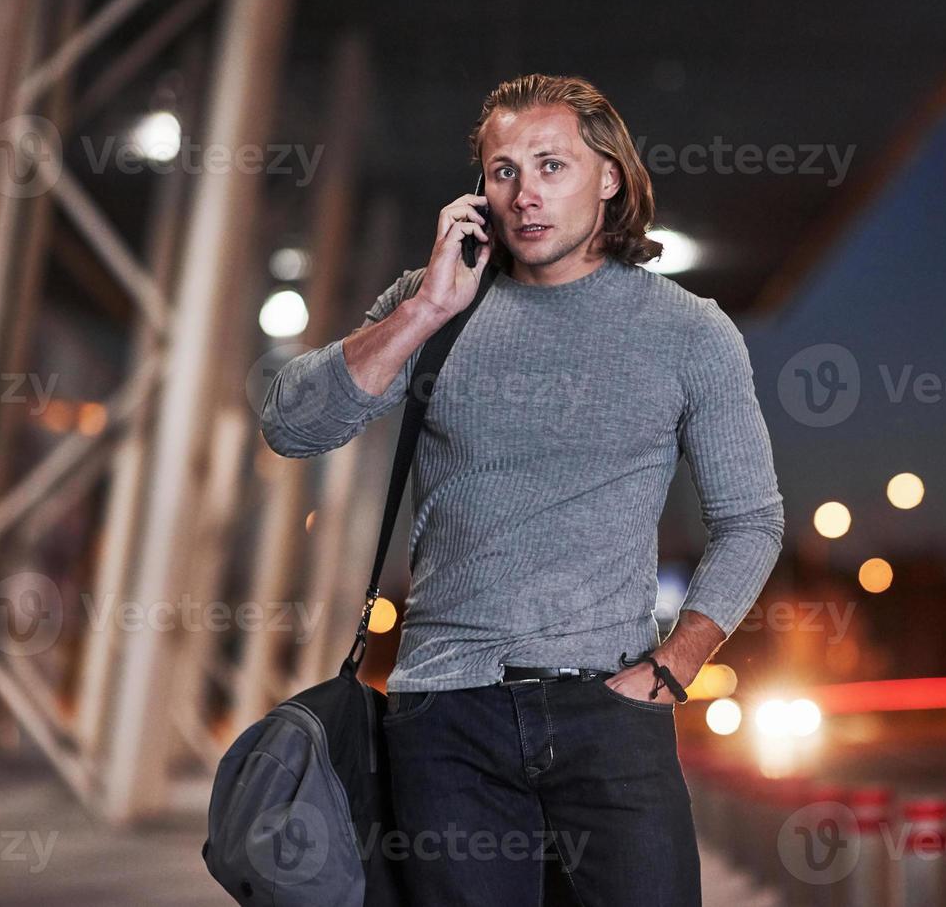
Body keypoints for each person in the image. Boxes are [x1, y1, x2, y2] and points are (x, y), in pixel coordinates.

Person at [261, 73, 784, 906]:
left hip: (610, 713)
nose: (525, 195)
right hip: (444, 720)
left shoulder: (690, 332)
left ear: (608, 176)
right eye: (503, 171)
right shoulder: (436, 307)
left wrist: (670, 670)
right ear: (478, 190)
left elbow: (751, 520)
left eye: (551, 166)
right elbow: (291, 424)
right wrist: (428, 307)